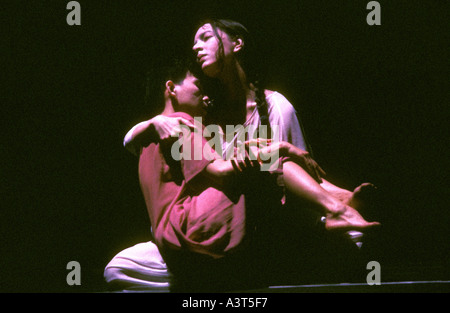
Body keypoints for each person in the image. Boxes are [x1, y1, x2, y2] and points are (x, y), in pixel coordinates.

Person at [105, 58, 379, 292]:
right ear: (171, 88)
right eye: (198, 85)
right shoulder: (181, 124)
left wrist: (259, 150)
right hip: (189, 224)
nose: (206, 95)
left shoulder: (151, 135)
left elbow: (211, 164)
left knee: (262, 159)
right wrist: (282, 147)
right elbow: (220, 170)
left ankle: (334, 208)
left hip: (170, 230)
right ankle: (330, 213)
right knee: (270, 162)